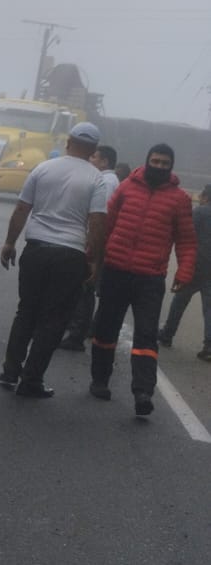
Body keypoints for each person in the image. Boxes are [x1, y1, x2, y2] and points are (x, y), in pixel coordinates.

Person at [0, 122, 108, 399]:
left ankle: (10, 372)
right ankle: (31, 380)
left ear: (69, 141)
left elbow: (22, 209)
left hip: (36, 249)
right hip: (70, 255)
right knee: (53, 319)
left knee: (26, 312)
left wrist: (10, 242)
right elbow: (96, 223)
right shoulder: (97, 179)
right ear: (94, 149)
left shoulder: (44, 168)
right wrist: (94, 260)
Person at [90, 144, 197, 417]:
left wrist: (184, 273)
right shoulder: (126, 188)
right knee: (105, 328)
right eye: (156, 161)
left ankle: (143, 392)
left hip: (150, 277)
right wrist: (93, 258)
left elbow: (186, 242)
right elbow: (106, 226)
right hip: (115, 271)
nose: (160, 166)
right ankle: (99, 381)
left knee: (147, 335)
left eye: (165, 163)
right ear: (147, 160)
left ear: (171, 167)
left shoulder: (180, 199)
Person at [58, 143, 119, 351]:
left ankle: (77, 334)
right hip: (95, 241)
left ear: (104, 162)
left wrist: (91, 245)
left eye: (94, 157)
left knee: (85, 287)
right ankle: (77, 329)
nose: (90, 160)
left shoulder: (106, 181)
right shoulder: (107, 179)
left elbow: (100, 218)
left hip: (95, 242)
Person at [159, 183, 211, 360]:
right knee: (209, 307)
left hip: (196, 265)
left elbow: (185, 234)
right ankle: (209, 346)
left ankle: (167, 335)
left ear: (204, 197)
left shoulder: (199, 212)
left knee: (180, 300)